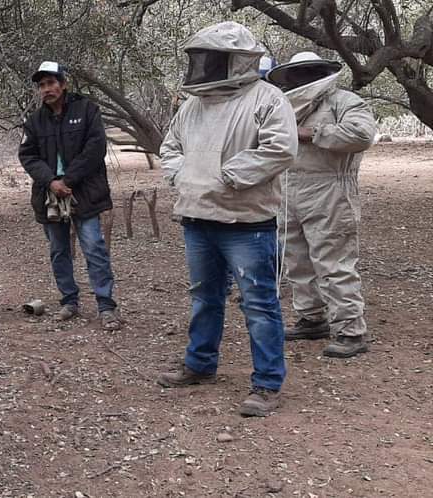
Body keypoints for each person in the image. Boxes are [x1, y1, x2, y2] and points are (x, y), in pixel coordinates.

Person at [156, 22, 298, 417]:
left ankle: (268, 384)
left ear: (236, 60)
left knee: (259, 303)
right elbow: (170, 148)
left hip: (247, 223)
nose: (205, 64)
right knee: (204, 298)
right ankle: (200, 364)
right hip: (197, 218)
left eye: (213, 57)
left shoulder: (267, 98)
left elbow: (280, 149)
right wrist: (185, 176)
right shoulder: (192, 105)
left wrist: (227, 177)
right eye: (201, 56)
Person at [266, 52, 377, 358]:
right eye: (295, 75)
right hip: (287, 189)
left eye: (306, 73)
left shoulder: (344, 101)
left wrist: (311, 134)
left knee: (334, 261)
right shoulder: (285, 105)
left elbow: (362, 134)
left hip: (330, 188)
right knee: (297, 260)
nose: (299, 80)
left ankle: (350, 330)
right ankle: (312, 318)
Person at [19, 61, 122, 330]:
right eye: (41, 85)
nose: (46, 89)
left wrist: (68, 179)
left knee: (94, 248)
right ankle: (69, 301)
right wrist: (51, 181)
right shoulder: (34, 121)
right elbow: (27, 156)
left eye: (51, 83)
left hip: (84, 193)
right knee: (58, 250)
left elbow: (95, 148)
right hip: (50, 197)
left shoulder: (87, 110)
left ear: (64, 84)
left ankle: (106, 305)